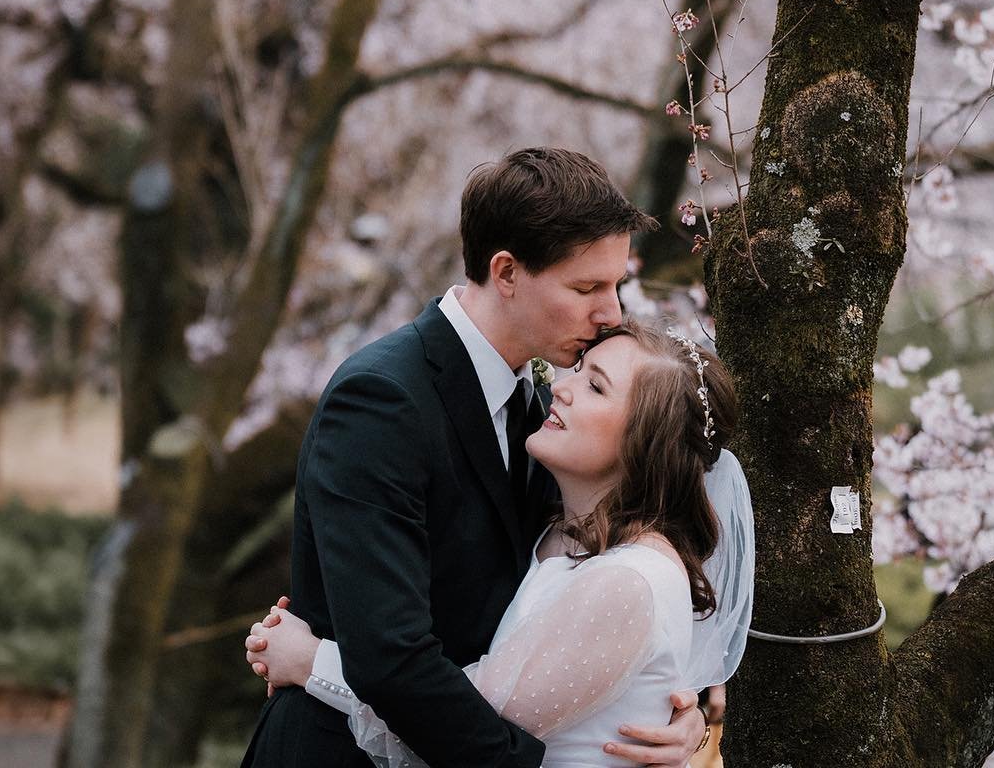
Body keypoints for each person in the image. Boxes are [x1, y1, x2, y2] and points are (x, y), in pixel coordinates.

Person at [238, 147, 723, 768]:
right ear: (507, 272)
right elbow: (391, 657)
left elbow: (604, 569)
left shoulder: (546, 411)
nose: (611, 313)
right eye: (586, 287)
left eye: (615, 285)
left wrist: (669, 707)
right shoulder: (383, 401)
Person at [249, 322, 743, 768]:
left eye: (595, 386)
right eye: (578, 372)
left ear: (647, 444)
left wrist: (311, 660)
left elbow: (461, 718)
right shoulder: (565, 532)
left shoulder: (627, 580)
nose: (561, 389)